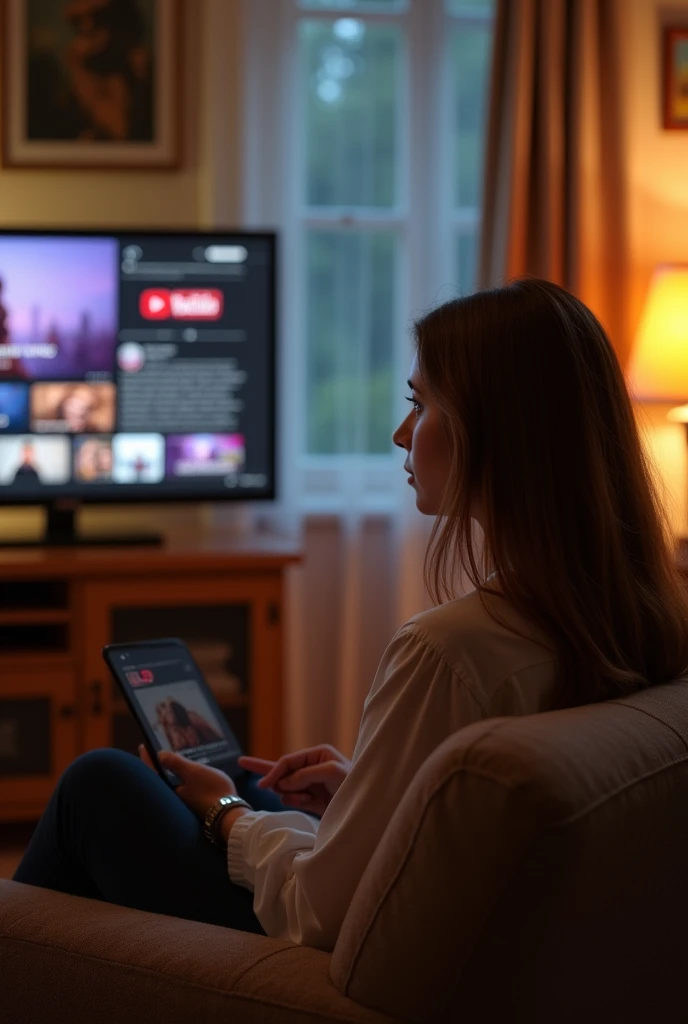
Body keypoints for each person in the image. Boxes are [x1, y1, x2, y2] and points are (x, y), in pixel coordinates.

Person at [14, 278, 688, 949]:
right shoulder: (643, 618)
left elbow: (320, 914)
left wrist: (225, 816)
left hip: (321, 974)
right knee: (260, 782)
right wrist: (368, 797)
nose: (401, 434)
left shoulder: (448, 653)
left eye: (420, 406)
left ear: (498, 432)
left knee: (100, 784)